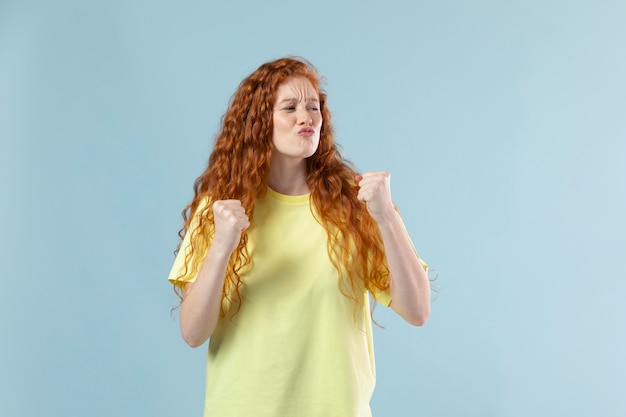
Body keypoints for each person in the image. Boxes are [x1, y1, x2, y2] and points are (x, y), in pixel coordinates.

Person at [168, 56, 430, 417]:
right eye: (290, 108)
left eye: (313, 107)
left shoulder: (356, 205)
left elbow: (417, 310)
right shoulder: (221, 210)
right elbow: (193, 333)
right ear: (260, 123)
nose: (306, 117)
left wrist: (386, 217)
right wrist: (221, 246)